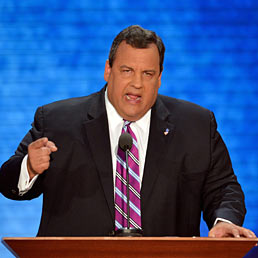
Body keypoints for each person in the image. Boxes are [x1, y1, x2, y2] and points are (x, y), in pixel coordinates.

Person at [0, 25, 256, 238]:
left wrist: (223, 221)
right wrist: (29, 167)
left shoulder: (196, 124)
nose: (137, 84)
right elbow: (8, 182)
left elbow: (224, 188)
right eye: (127, 71)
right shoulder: (58, 121)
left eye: (148, 73)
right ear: (108, 70)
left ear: (159, 78)